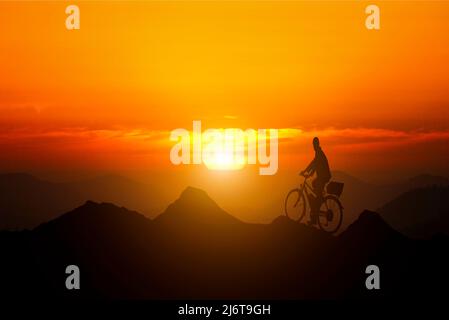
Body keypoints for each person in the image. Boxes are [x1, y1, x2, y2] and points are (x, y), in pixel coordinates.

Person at [300, 137, 331, 225]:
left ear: (317, 144)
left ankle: (315, 216)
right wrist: (306, 171)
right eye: (313, 144)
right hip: (322, 176)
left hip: (323, 177)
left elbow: (315, 165)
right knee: (314, 184)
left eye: (314, 144)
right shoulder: (318, 153)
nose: (313, 146)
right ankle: (319, 199)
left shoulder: (319, 153)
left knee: (317, 194)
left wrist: (307, 172)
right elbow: (313, 164)